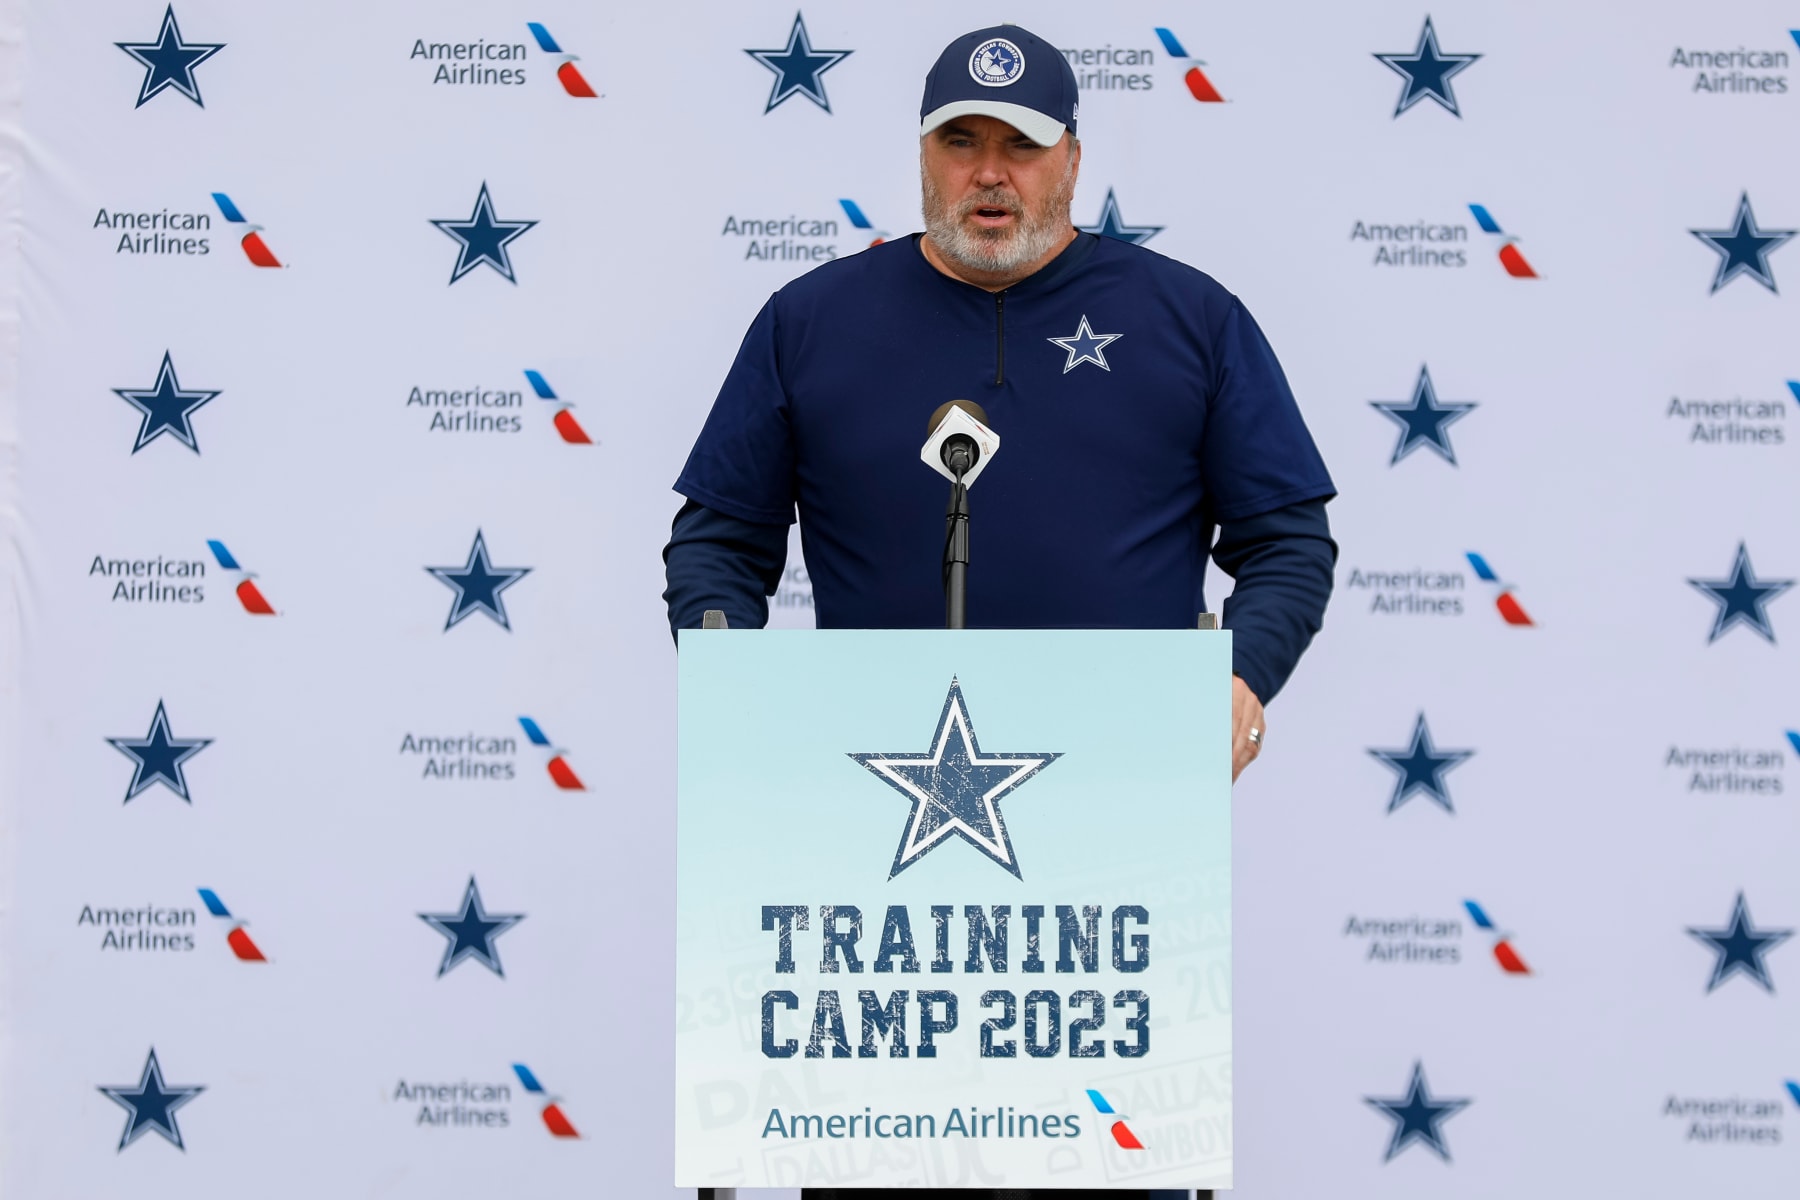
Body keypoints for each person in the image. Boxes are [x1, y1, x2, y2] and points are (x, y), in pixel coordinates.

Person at [668, 25, 1337, 1198]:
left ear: (1072, 159)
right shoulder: (811, 320)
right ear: (922, 156)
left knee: (1105, 1170)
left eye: (1020, 147)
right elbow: (719, 539)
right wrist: (734, 684)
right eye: (961, 142)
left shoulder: (1191, 318)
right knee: (884, 1168)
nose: (991, 173)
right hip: (871, 855)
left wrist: (1239, 676)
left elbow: (1286, 539)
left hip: (1114, 840)